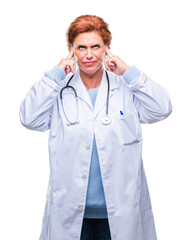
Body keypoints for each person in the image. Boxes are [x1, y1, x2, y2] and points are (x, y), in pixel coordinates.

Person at [19, 15, 172, 240]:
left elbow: (162, 108)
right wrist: (55, 75)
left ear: (107, 48)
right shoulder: (59, 90)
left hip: (118, 214)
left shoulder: (125, 88)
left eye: (96, 46)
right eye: (81, 47)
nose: (89, 54)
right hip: (72, 213)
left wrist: (129, 72)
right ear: (71, 50)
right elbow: (29, 118)